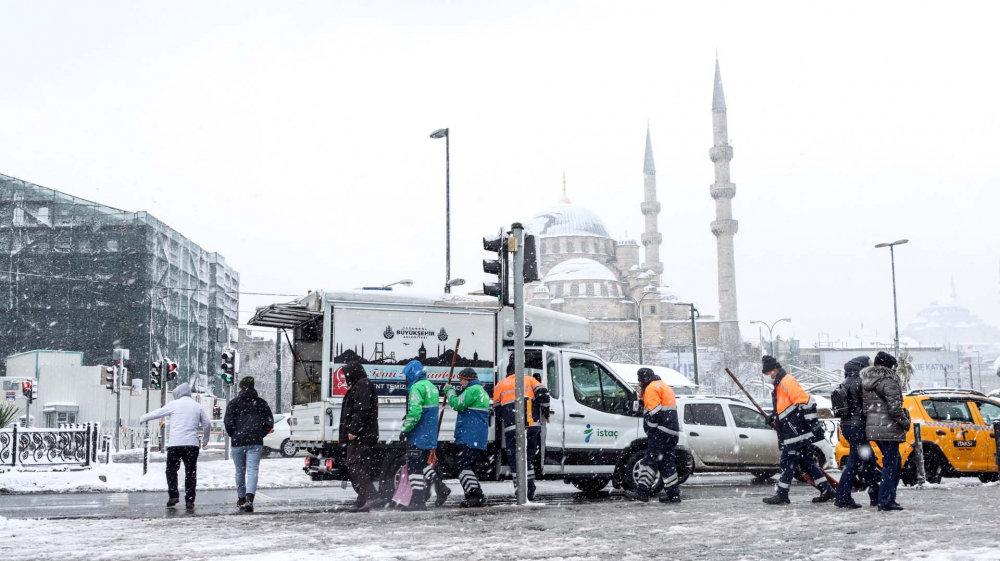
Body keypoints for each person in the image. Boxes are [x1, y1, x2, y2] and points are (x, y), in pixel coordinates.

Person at [760, 356, 835, 505]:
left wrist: (807, 424)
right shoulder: (781, 383)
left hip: (795, 434)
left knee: (787, 463)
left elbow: (806, 401)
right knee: (807, 463)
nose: (769, 377)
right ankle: (826, 489)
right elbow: (786, 407)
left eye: (769, 374)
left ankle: (782, 495)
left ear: (775, 370)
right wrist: (774, 416)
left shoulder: (786, 381)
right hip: (794, 433)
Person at [139, 382, 211, 509]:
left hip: (175, 444)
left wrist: (143, 418)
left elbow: (158, 413)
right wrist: (205, 440)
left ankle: (173, 496)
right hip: (192, 445)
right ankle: (190, 500)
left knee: (171, 470)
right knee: (191, 472)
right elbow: (207, 423)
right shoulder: (197, 406)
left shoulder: (174, 404)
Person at [493, 359, 551, 501]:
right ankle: (530, 490)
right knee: (528, 458)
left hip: (512, 428)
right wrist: (546, 412)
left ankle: (519, 490)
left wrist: (507, 419)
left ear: (508, 372)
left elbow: (497, 409)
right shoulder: (530, 380)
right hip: (532, 426)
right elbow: (543, 393)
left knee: (514, 460)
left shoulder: (500, 385)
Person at [862, 351, 910, 512]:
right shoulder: (889, 381)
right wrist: (906, 422)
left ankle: (884, 497)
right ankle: (886, 499)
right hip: (888, 428)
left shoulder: (867, 381)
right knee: (892, 464)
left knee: (893, 462)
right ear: (889, 366)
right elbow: (895, 408)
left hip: (875, 428)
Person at [399, 360, 451, 510]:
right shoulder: (432, 387)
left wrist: (405, 429)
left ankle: (418, 501)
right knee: (422, 464)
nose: (406, 379)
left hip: (418, 434)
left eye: (407, 376)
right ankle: (441, 487)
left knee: (414, 467)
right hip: (429, 434)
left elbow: (415, 413)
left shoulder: (416, 388)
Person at [625, 368, 681, 503]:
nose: (638, 383)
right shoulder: (663, 386)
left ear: (645, 379)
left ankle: (642, 492)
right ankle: (673, 495)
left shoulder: (651, 388)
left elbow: (655, 414)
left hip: (661, 432)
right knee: (667, 463)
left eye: (639, 380)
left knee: (650, 460)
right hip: (672, 432)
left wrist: (650, 430)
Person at [834, 356, 880, 509]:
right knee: (854, 463)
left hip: (848, 426)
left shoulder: (846, 381)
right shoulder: (860, 382)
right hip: (858, 427)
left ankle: (875, 495)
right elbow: (869, 405)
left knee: (869, 460)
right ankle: (842, 496)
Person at [224, 376, 274, 513]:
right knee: (252, 471)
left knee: (240, 471)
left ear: (241, 388)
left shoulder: (234, 403)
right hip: (255, 442)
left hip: (238, 442)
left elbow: (228, 422)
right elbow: (269, 422)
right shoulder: (261, 403)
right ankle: (249, 499)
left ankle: (241, 498)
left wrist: (234, 434)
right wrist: (259, 434)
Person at [338, 362, 383, 512]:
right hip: (363, 434)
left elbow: (361, 409)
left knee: (354, 464)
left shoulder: (363, 385)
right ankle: (363, 499)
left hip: (361, 435)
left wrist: (353, 430)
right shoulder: (361, 384)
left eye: (346, 375)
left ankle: (371, 495)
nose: (345, 378)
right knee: (361, 465)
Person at [444, 367, 491, 507]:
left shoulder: (472, 390)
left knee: (463, 465)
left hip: (468, 435)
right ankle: (473, 496)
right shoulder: (481, 391)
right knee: (469, 466)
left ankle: (476, 496)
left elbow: (457, 404)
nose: (460, 384)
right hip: (476, 436)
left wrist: (449, 391)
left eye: (461, 380)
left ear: (467, 379)